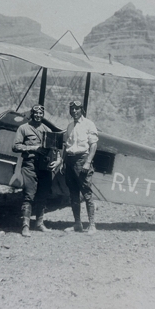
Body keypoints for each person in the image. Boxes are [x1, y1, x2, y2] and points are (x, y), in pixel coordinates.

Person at [51, 100, 99, 234]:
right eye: (72, 109)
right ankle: (77, 224)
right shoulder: (70, 126)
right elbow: (67, 146)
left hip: (82, 160)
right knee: (73, 194)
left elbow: (93, 145)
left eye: (77, 109)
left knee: (87, 193)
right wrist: (62, 161)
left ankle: (92, 225)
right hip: (70, 161)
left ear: (81, 110)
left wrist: (88, 162)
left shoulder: (89, 124)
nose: (74, 111)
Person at [12, 104, 53, 237]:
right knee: (29, 195)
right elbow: (15, 146)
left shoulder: (47, 130)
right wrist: (33, 148)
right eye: (36, 113)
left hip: (44, 167)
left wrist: (57, 160)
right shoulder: (23, 128)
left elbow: (54, 149)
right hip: (30, 166)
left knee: (43, 195)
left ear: (43, 115)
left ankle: (39, 224)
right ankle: (25, 226)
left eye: (40, 113)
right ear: (31, 114)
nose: (38, 115)